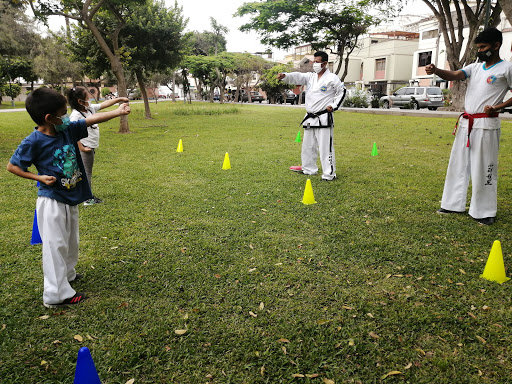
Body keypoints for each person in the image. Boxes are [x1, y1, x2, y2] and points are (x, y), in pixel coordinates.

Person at [7, 87, 131, 308]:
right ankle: (56, 294)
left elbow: (93, 118)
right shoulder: (33, 141)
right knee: (55, 245)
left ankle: (68, 275)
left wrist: (119, 112)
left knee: (71, 240)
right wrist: (38, 177)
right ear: (49, 118)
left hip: (70, 196)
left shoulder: (66, 131)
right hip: (51, 199)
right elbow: (12, 166)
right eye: (63, 113)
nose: (66, 116)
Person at [426, 27, 512, 225]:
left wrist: (497, 107)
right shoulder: (475, 67)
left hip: (487, 123)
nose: (480, 51)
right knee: (458, 163)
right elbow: (456, 75)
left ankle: (484, 211)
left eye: (483, 47)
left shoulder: (506, 68)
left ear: (496, 45)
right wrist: (436, 70)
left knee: (484, 167)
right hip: (467, 122)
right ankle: (452, 204)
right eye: (478, 47)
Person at [277, 51, 346, 181]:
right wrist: (285, 76)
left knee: (325, 147)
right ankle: (309, 169)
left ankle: (329, 174)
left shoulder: (332, 78)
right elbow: (298, 76)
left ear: (324, 63)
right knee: (308, 146)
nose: (314, 64)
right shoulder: (311, 77)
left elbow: (342, 92)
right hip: (310, 117)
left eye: (317, 62)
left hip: (324, 116)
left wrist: (334, 105)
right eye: (314, 61)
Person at [68, 87, 129, 206]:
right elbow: (71, 133)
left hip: (90, 146)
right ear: (80, 101)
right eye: (87, 98)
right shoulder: (76, 115)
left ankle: (83, 195)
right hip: (85, 147)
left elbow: (104, 104)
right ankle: (87, 199)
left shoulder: (89, 109)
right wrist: (81, 147)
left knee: (86, 172)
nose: (90, 99)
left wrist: (119, 99)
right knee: (86, 173)